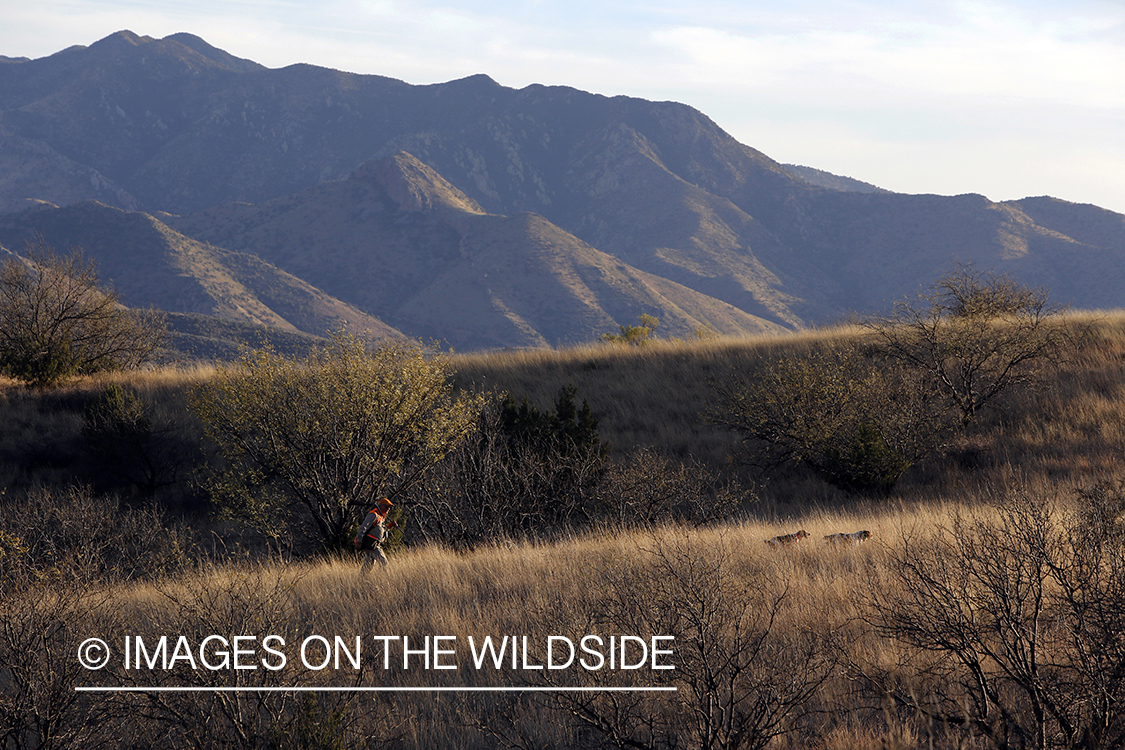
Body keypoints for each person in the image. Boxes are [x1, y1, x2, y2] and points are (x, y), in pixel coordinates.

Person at [354, 497, 397, 573]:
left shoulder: (380, 517)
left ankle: (361, 581)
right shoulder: (373, 515)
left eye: (389, 508)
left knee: (368, 566)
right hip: (371, 545)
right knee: (384, 563)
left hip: (372, 544)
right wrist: (359, 541)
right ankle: (379, 580)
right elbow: (362, 528)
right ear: (381, 506)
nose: (388, 509)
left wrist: (390, 526)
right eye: (387, 507)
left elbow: (379, 530)